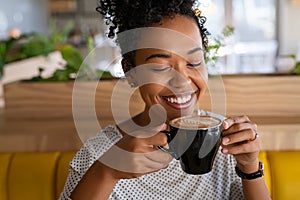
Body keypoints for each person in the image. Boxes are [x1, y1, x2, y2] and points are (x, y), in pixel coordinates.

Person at [60, 0, 271, 199]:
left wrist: (250, 168)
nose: (181, 81)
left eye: (194, 62)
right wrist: (107, 172)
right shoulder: (98, 153)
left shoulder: (226, 142)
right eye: (160, 67)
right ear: (131, 72)